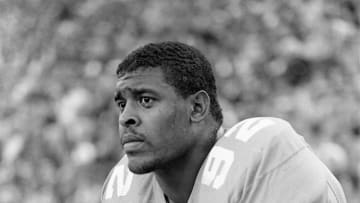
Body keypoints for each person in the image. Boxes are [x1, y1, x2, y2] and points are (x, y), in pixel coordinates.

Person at [101, 41, 347, 203]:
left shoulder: (263, 153)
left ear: (197, 107)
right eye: (122, 104)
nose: (125, 118)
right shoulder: (125, 186)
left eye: (145, 100)